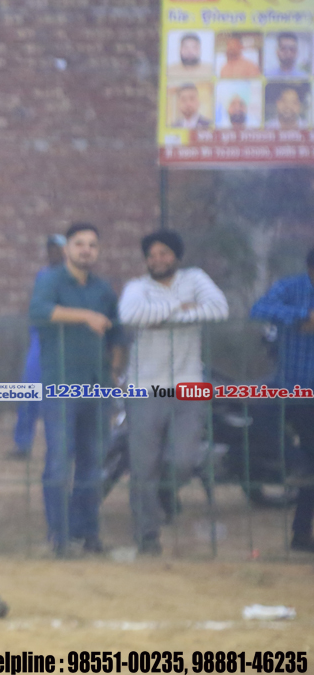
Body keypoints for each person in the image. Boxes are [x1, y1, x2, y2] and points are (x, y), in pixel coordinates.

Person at [118, 230, 228, 555]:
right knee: (143, 466)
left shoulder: (195, 278)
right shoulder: (137, 287)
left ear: (177, 256)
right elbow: (130, 315)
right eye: (151, 255)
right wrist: (180, 308)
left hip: (188, 384)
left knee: (184, 460)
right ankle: (147, 537)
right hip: (143, 386)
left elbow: (218, 308)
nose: (157, 260)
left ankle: (165, 494)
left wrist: (160, 316)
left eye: (164, 253)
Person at [29, 223, 124, 557]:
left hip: (98, 387)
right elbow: (38, 311)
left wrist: (114, 370)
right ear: (67, 248)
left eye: (92, 245)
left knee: (92, 463)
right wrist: (85, 316)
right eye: (80, 243)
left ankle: (87, 532)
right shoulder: (51, 280)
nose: (86, 250)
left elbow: (116, 334)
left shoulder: (103, 289)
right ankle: (59, 534)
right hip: (61, 386)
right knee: (59, 462)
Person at [250, 247, 314, 553]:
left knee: (312, 466)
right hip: (290, 386)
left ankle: (301, 535)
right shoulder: (291, 287)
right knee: (260, 414)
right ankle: (293, 462)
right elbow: (259, 309)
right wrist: (301, 317)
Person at [10, 234, 66, 460]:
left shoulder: (71, 277)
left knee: (60, 397)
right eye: (51, 249)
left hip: (63, 341)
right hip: (40, 339)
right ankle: (22, 444)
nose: (54, 253)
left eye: (58, 249)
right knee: (29, 389)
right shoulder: (42, 275)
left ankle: (59, 448)